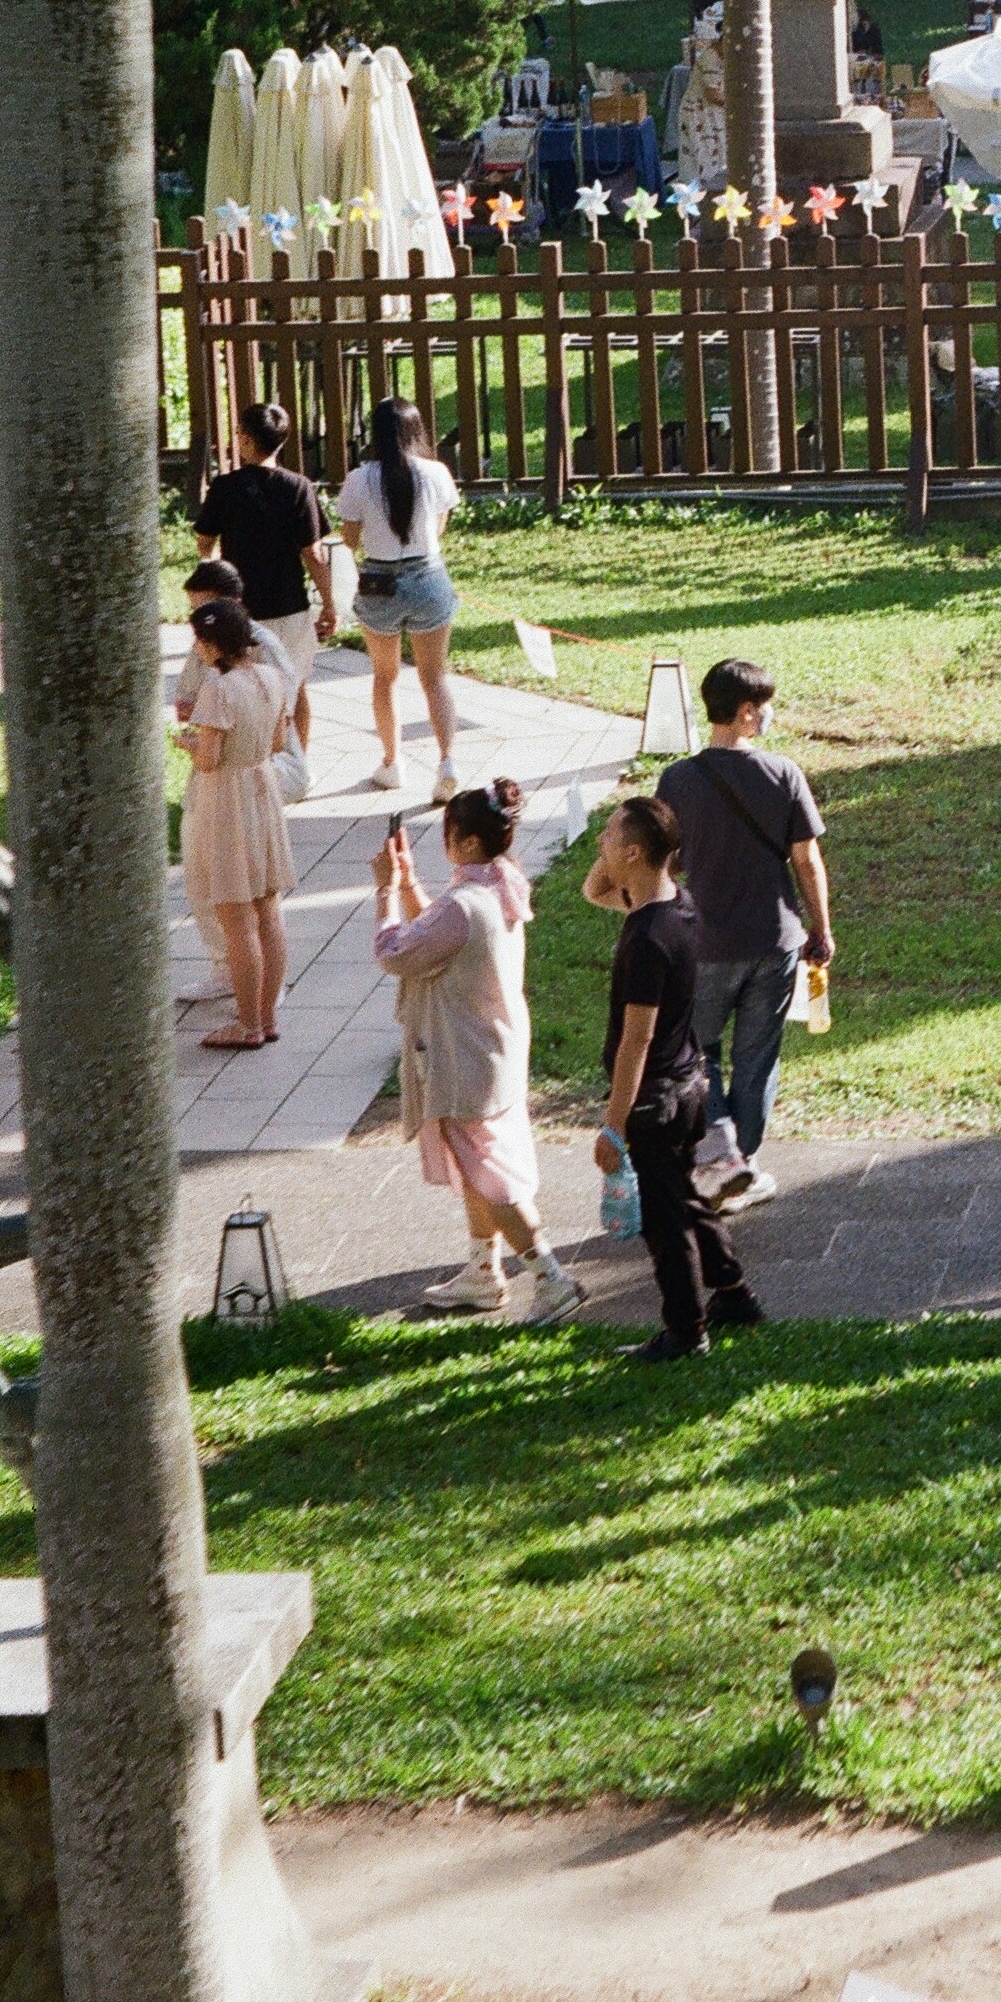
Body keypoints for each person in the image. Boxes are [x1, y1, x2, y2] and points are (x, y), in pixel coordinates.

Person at [372, 785, 579, 1319]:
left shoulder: (464, 904)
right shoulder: (502, 885)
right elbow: (437, 935)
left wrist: (385, 893)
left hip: (464, 1059)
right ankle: (482, 1270)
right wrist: (413, 883)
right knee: (476, 1164)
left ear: (462, 841)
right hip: (494, 1050)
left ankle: (550, 1278)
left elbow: (397, 952)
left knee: (492, 1179)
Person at [585, 791, 761, 1360]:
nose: (600, 843)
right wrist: (618, 856)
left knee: (665, 1225)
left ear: (636, 853)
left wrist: (614, 1130)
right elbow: (595, 889)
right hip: (692, 1086)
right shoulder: (678, 906)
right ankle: (732, 1293)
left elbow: (636, 1040)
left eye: (609, 836)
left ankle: (686, 1332)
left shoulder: (646, 941)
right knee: (685, 1198)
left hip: (655, 1099)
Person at [666, 658, 832, 1191]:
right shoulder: (783, 774)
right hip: (774, 940)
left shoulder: (677, 780)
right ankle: (743, 1161)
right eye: (762, 707)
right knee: (758, 1057)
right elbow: (807, 861)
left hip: (704, 943)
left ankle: (723, 1156)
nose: (767, 715)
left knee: (699, 1051)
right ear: (745, 713)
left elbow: (664, 864)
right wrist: (821, 930)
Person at [171, 590, 296, 1052]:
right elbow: (280, 741)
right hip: (264, 793)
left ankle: (246, 1025)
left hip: (227, 801)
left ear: (212, 644)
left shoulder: (218, 689)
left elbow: (208, 760)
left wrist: (186, 743)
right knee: (268, 908)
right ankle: (266, 1016)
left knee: (236, 918)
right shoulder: (271, 677)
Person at [334, 391, 463, 792]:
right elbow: (438, 529)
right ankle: (447, 764)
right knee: (434, 677)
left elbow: (350, 540)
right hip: (429, 579)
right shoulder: (437, 473)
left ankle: (392, 764)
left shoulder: (359, 479)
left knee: (384, 677)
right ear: (416, 430)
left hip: (379, 585)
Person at [193, 394, 332, 762]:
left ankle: (253, 757)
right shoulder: (299, 487)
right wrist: (330, 603)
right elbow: (314, 554)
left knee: (242, 683)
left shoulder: (224, 488)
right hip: (290, 605)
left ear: (246, 439)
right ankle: (297, 763)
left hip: (240, 610)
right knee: (295, 687)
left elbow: (205, 543)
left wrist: (212, 584)